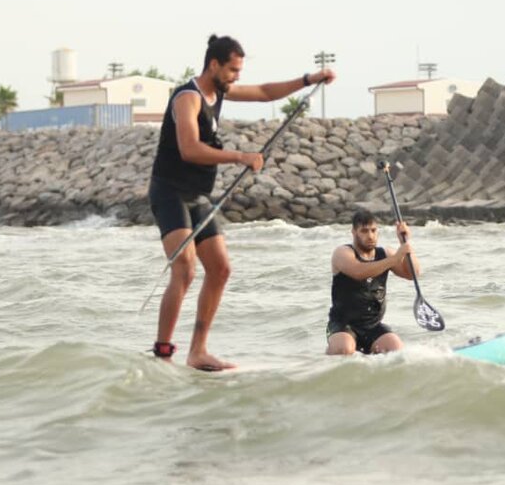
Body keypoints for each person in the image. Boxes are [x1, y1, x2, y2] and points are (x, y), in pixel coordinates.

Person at [149, 34, 335, 370]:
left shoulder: (219, 91)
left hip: (197, 195)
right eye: (233, 70)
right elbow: (189, 149)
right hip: (169, 192)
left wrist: (309, 79)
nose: (236, 77)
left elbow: (264, 92)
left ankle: (198, 352)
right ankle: (163, 354)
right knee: (185, 269)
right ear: (214, 65)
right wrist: (240, 156)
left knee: (220, 269)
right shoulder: (187, 98)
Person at [326, 209, 420, 356]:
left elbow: (412, 274)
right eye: (364, 231)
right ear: (354, 232)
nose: (370, 236)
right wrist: (395, 259)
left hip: (372, 325)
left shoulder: (385, 254)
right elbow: (358, 271)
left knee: (396, 349)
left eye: (373, 230)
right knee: (344, 349)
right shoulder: (342, 253)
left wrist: (405, 243)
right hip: (343, 324)